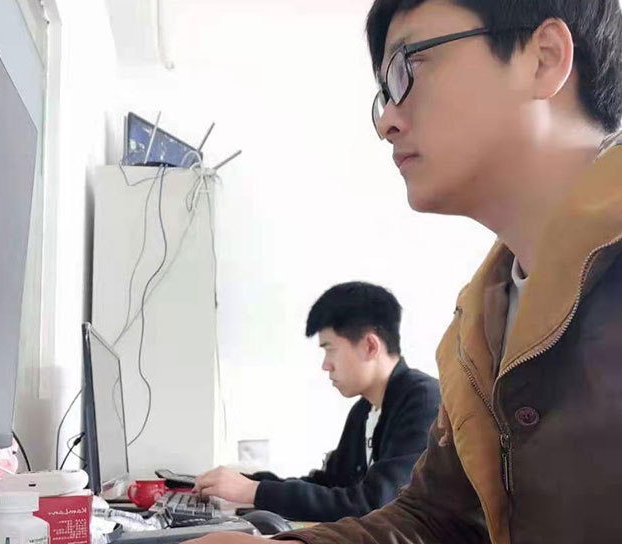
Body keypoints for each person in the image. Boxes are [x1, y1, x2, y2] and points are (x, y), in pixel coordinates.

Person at [188, 0, 622, 542]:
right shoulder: (477, 332)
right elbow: (435, 520)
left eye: (407, 68)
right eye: (384, 93)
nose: (386, 122)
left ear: (544, 58)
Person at [193, 282, 439, 521]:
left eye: (330, 349)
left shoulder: (424, 401)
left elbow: (375, 504)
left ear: (369, 346)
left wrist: (254, 491)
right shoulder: (364, 410)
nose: (326, 365)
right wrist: (249, 482)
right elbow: (330, 485)